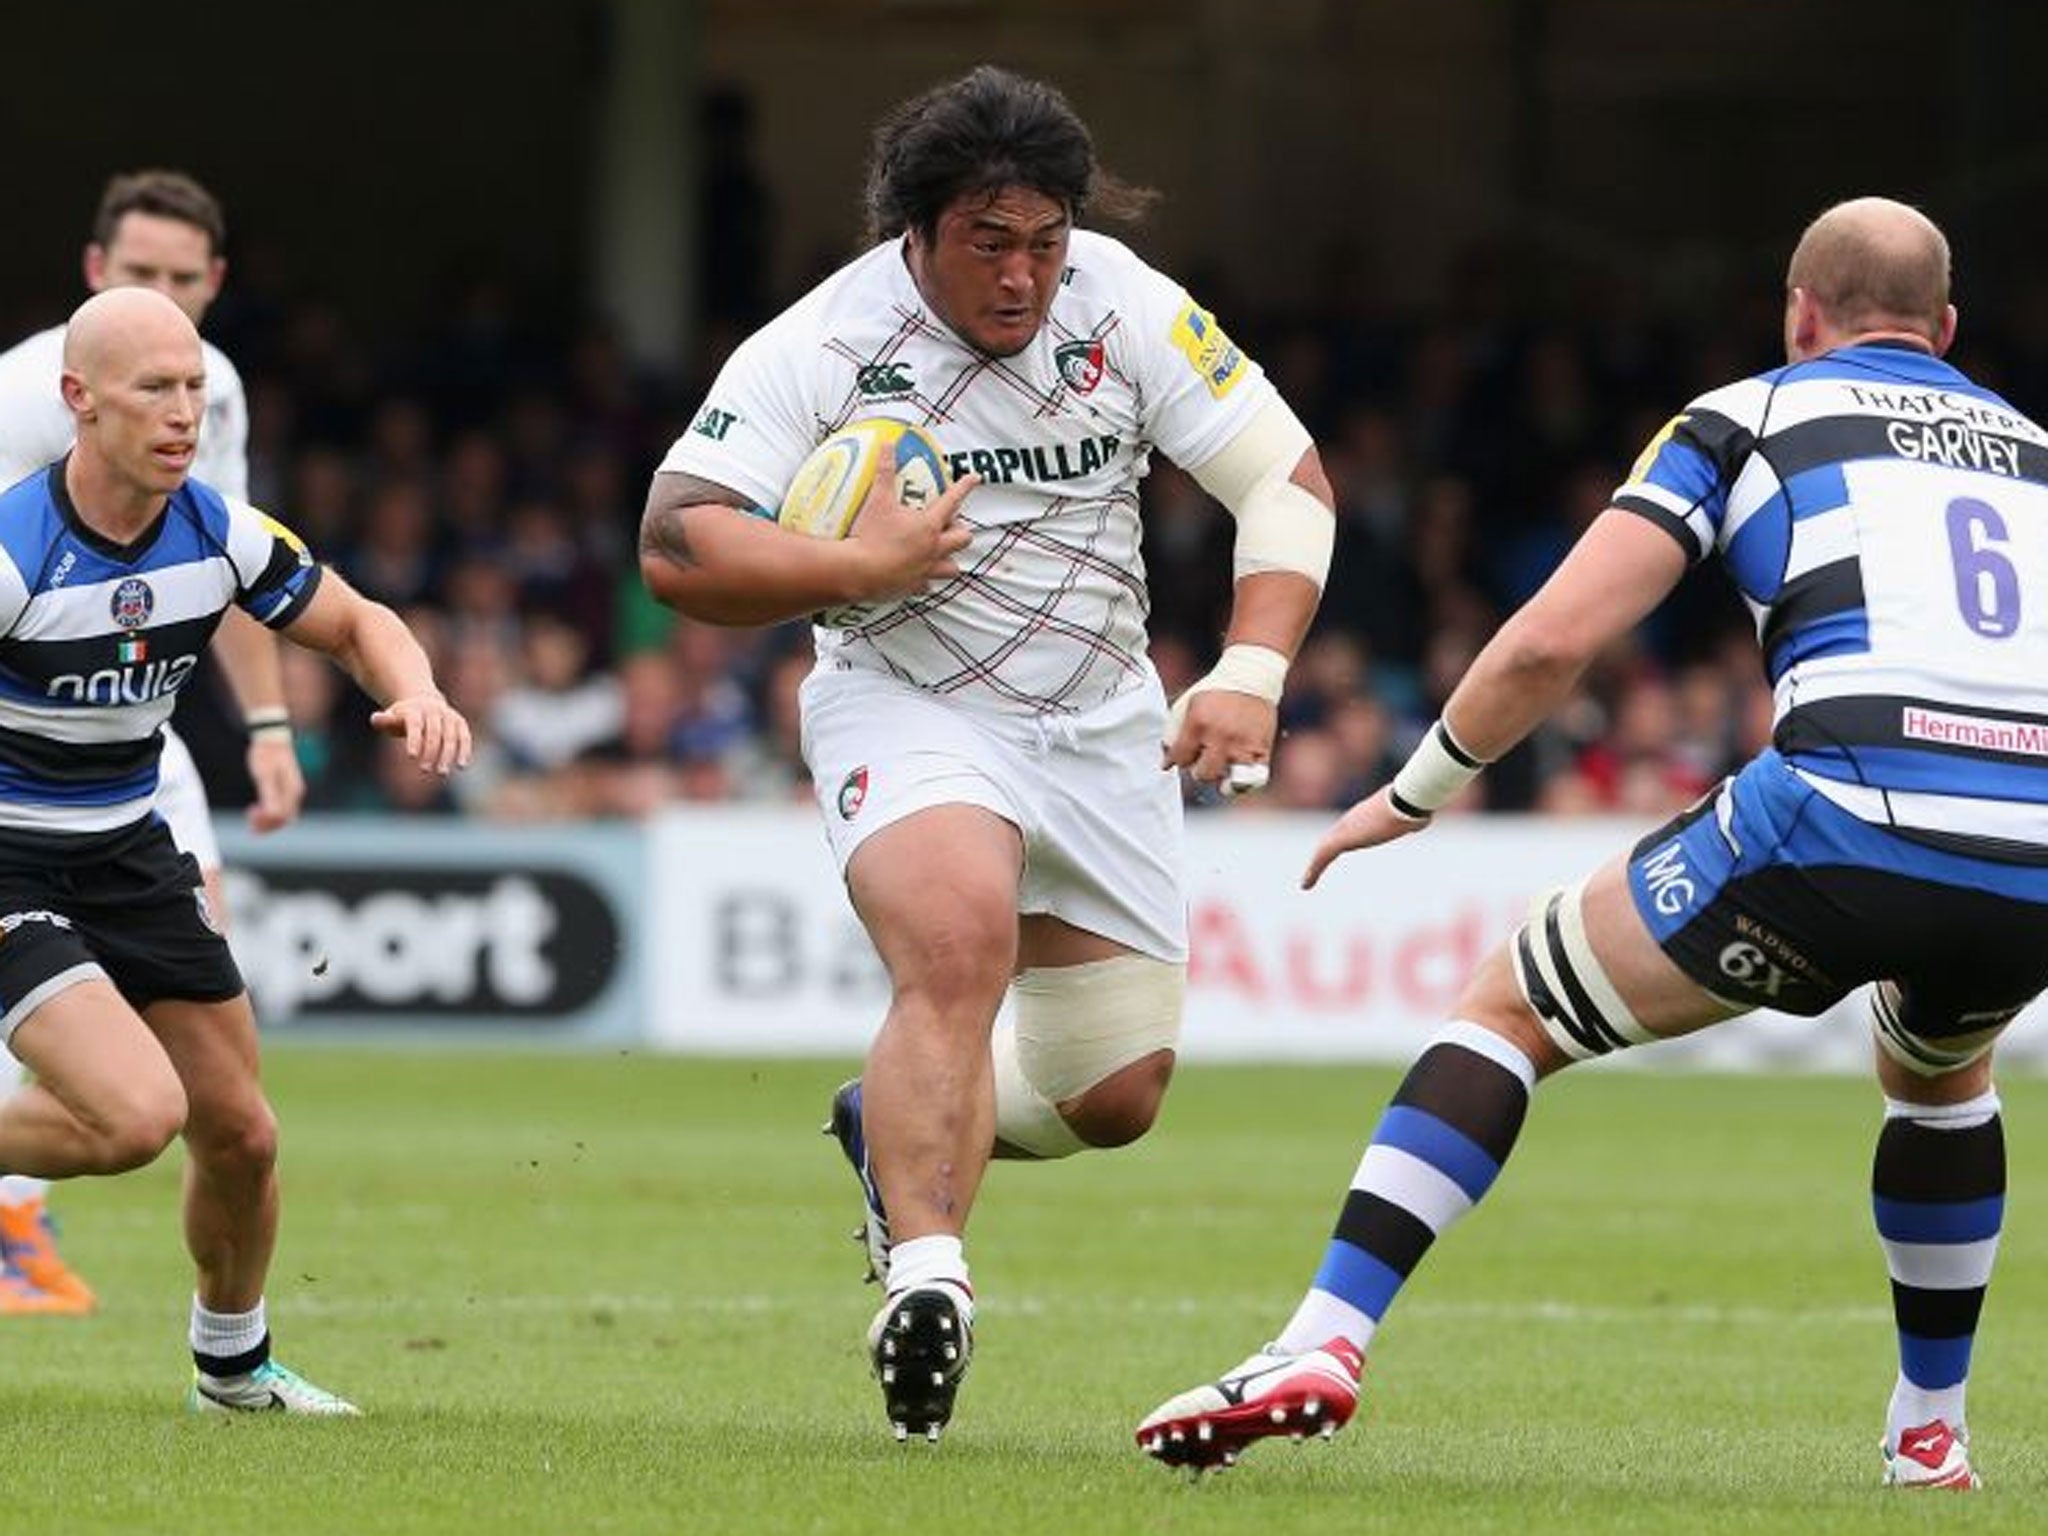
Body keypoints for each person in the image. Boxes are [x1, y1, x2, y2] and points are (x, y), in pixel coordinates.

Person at [1136, 197, 2036, 1492]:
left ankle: (1321, 1341)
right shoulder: (2038, 452)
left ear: (1798, 317)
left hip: (1845, 810)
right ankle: (1929, 1432)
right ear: (1945, 331)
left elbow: (1557, 638)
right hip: (2031, 849)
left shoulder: (1746, 417)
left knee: (1511, 1009)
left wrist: (1414, 793)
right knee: (1944, 1070)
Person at [640, 65, 1335, 1441]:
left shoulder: (1127, 305)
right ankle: (931, 1275)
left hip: (1103, 726)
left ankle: (886, 1128)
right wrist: (850, 562)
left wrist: (1252, 671)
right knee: (957, 950)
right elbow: (677, 538)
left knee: (1118, 1094)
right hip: (906, 702)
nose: (1021, 277)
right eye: (987, 243)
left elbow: (1287, 482)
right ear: (918, 228)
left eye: (1044, 242)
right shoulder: (828, 344)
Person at [0, 286, 470, 1410]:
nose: (183, 416)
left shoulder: (216, 531)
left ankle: (233, 1369)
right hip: (10, 858)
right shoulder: (15, 554)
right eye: (152, 390)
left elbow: (357, 621)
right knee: (133, 1119)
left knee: (242, 1135)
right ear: (79, 402)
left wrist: (417, 693)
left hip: (128, 852)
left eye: (196, 392)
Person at [0, 168, 304, 1314]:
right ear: (95, 277)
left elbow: (228, 568)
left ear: (213, 286)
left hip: (126, 725)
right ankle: (15, 1226)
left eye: (183, 281)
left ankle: (234, 1357)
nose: (162, 294)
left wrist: (269, 726)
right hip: (21, 731)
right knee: (83, 1051)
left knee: (224, 1096)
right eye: (139, 276)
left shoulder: (204, 390)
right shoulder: (35, 395)